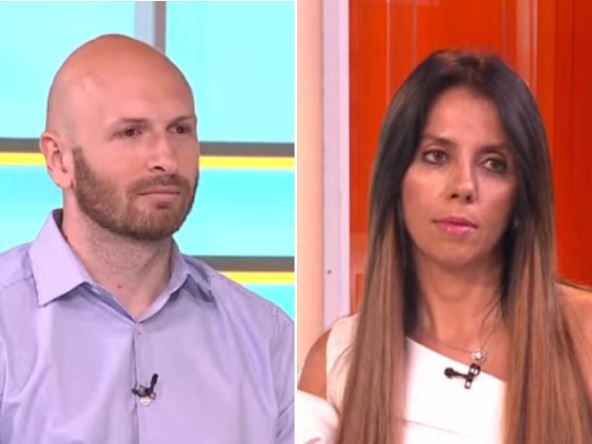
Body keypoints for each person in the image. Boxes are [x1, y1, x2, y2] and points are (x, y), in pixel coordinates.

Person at [0, 34, 293, 443]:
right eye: (131, 132)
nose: (166, 159)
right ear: (59, 160)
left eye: (180, 129)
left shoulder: (266, 336)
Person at [298, 49, 592, 444]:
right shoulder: (338, 362)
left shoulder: (582, 335)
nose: (464, 186)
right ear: (396, 181)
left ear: (521, 197)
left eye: (493, 163)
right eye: (436, 156)